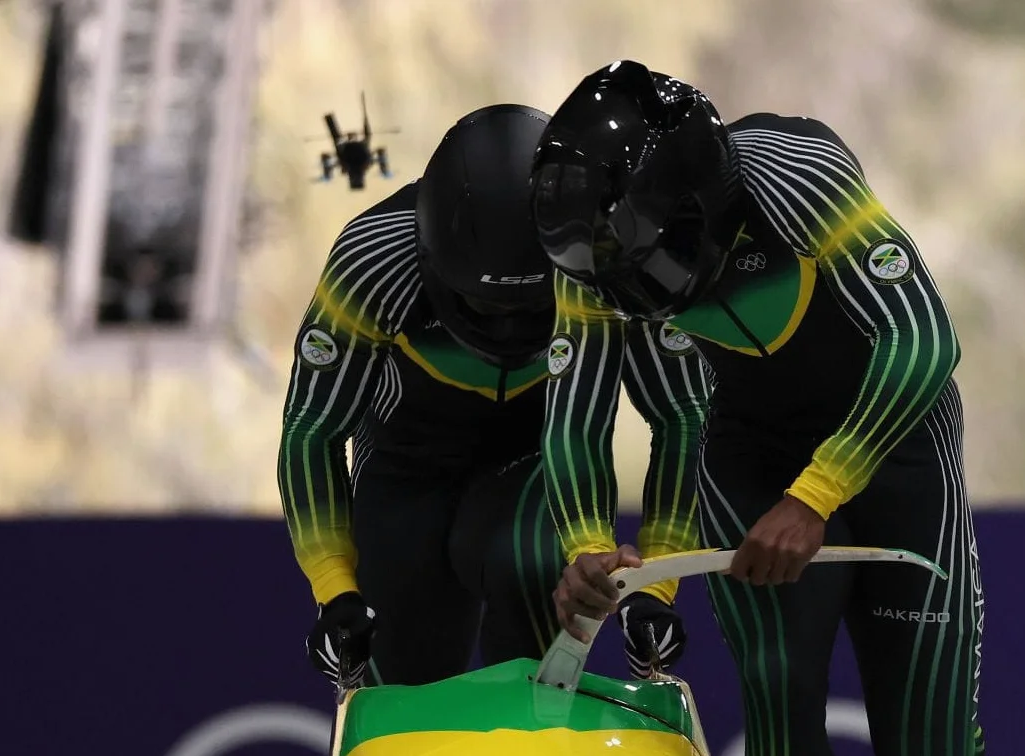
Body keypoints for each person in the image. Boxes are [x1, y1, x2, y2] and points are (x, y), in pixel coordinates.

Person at [531, 61, 986, 756]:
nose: (622, 292)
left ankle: (933, 706)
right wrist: (582, 548)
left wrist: (819, 492)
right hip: (747, 452)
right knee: (777, 696)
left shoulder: (802, 180)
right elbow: (576, 420)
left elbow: (924, 343)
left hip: (894, 439)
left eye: (635, 265)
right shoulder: (587, 257)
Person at [277, 102, 708, 688]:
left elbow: (683, 415)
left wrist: (655, 585)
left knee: (523, 552)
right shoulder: (373, 263)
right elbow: (313, 429)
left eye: (531, 309)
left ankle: (535, 744)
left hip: (539, 471)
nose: (507, 330)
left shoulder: (612, 257)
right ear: (431, 263)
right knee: (396, 682)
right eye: (486, 306)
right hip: (407, 475)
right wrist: (336, 590)